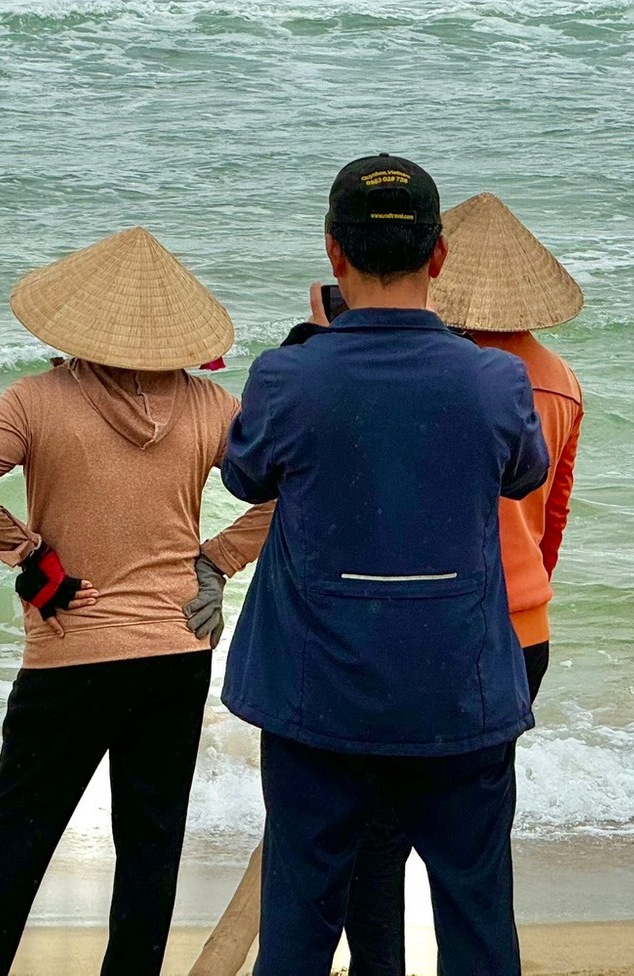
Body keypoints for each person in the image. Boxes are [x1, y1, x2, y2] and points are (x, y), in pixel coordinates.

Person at [221, 154, 549, 976]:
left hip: (317, 695)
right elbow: (525, 471)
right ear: (439, 257)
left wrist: (315, 345)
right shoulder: (495, 379)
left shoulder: (289, 375)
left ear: (333, 253)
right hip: (458, 691)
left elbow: (244, 474)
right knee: (477, 919)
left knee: (298, 924)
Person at [0, 227, 274, 976]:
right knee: (149, 851)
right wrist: (217, 562)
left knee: (14, 846)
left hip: (70, 656)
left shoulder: (36, 400)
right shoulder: (213, 405)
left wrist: (27, 554)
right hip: (174, 655)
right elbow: (294, 486)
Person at [341, 191, 586, 976]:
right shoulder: (557, 380)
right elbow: (553, 522)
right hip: (519, 632)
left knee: (373, 848)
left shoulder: (430, 376)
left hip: (423, 629)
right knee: (473, 851)